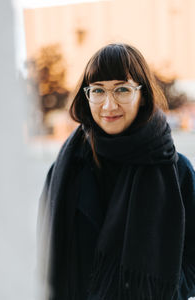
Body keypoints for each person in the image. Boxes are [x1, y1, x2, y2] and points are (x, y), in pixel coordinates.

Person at [37, 43, 195, 300]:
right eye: (98, 90)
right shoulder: (65, 170)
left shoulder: (177, 171)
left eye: (122, 89)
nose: (109, 105)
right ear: (86, 96)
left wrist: (169, 290)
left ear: (142, 94)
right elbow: (44, 254)